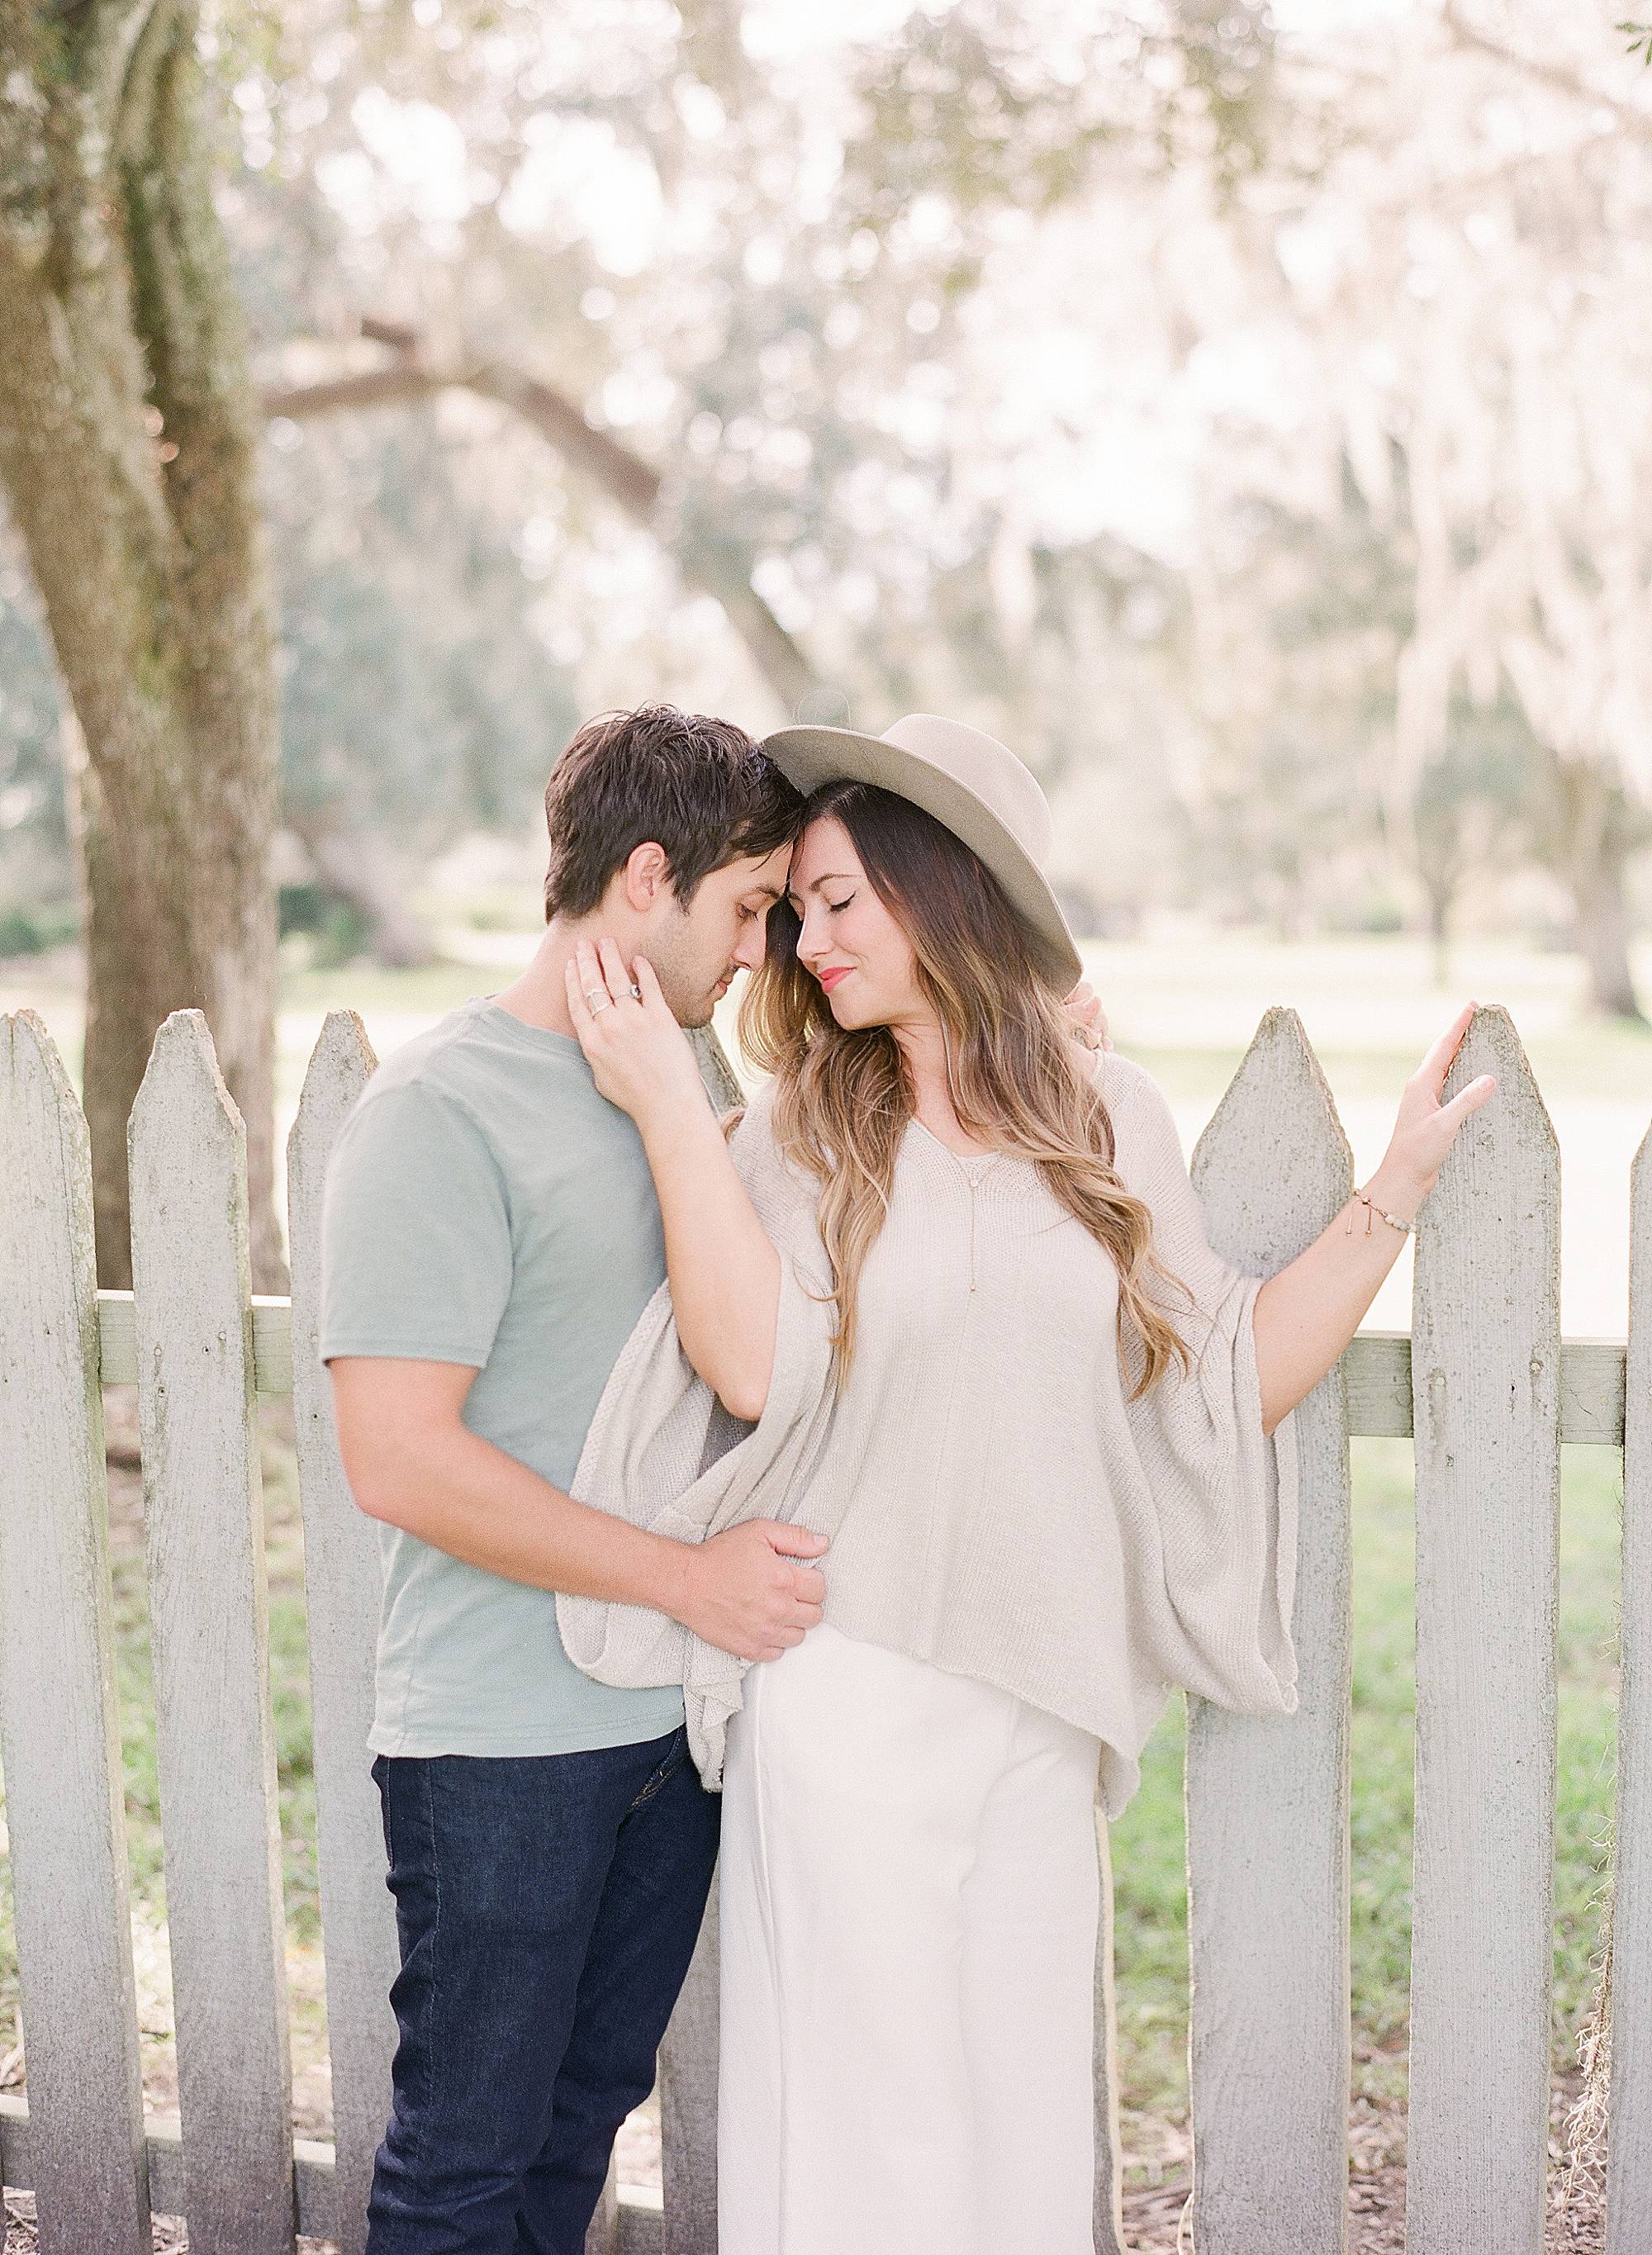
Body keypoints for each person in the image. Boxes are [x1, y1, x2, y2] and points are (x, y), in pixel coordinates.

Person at [553, 712, 1498, 2255]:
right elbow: (744, 1364)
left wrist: (1392, 1188)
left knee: (1030, 2124)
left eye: (840, 897)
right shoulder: (808, 1125)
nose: (804, 933)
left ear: (949, 891)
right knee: (880, 2134)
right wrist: (674, 1107)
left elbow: (1219, 1375)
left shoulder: (1100, 1112)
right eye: (794, 907)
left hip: (1045, 1704)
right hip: (851, 1681)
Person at [319, 705, 830, 2255]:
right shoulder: (436, 1112)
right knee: (464, 2166)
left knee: (569, 2146)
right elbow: (395, 1459)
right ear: (648, 875)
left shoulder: (678, 1096)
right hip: (501, 1753)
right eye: (749, 909)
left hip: (668, 1735)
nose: (761, 952)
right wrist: (688, 1579)